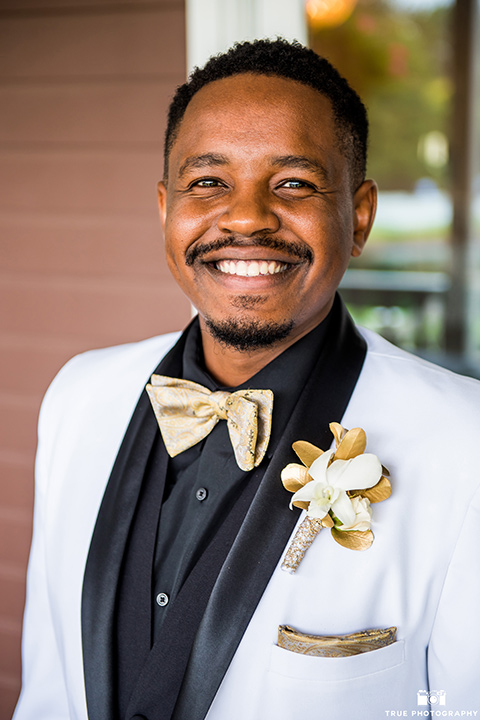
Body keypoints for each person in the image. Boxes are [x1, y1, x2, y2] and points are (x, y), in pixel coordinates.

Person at [13, 39, 480, 720]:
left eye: (292, 182)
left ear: (359, 217)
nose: (247, 217)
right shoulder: (78, 397)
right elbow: (50, 688)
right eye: (208, 182)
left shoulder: (465, 442)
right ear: (166, 209)